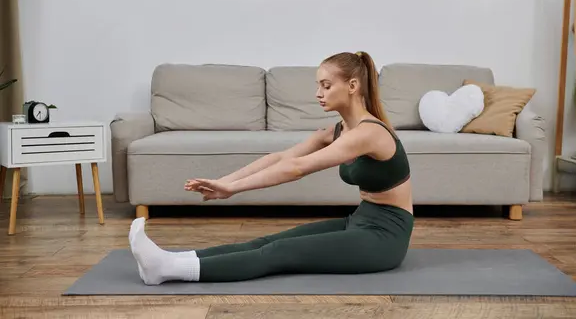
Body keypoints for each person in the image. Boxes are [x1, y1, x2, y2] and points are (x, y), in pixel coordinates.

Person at [128, 51, 414, 285]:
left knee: (281, 252)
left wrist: (234, 189)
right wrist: (224, 182)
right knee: (268, 241)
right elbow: (280, 157)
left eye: (326, 86)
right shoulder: (336, 130)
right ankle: (169, 262)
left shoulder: (368, 133)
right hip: (361, 220)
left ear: (352, 86)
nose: (318, 93)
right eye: (318, 85)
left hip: (386, 238)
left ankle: (169, 270)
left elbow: (297, 168)